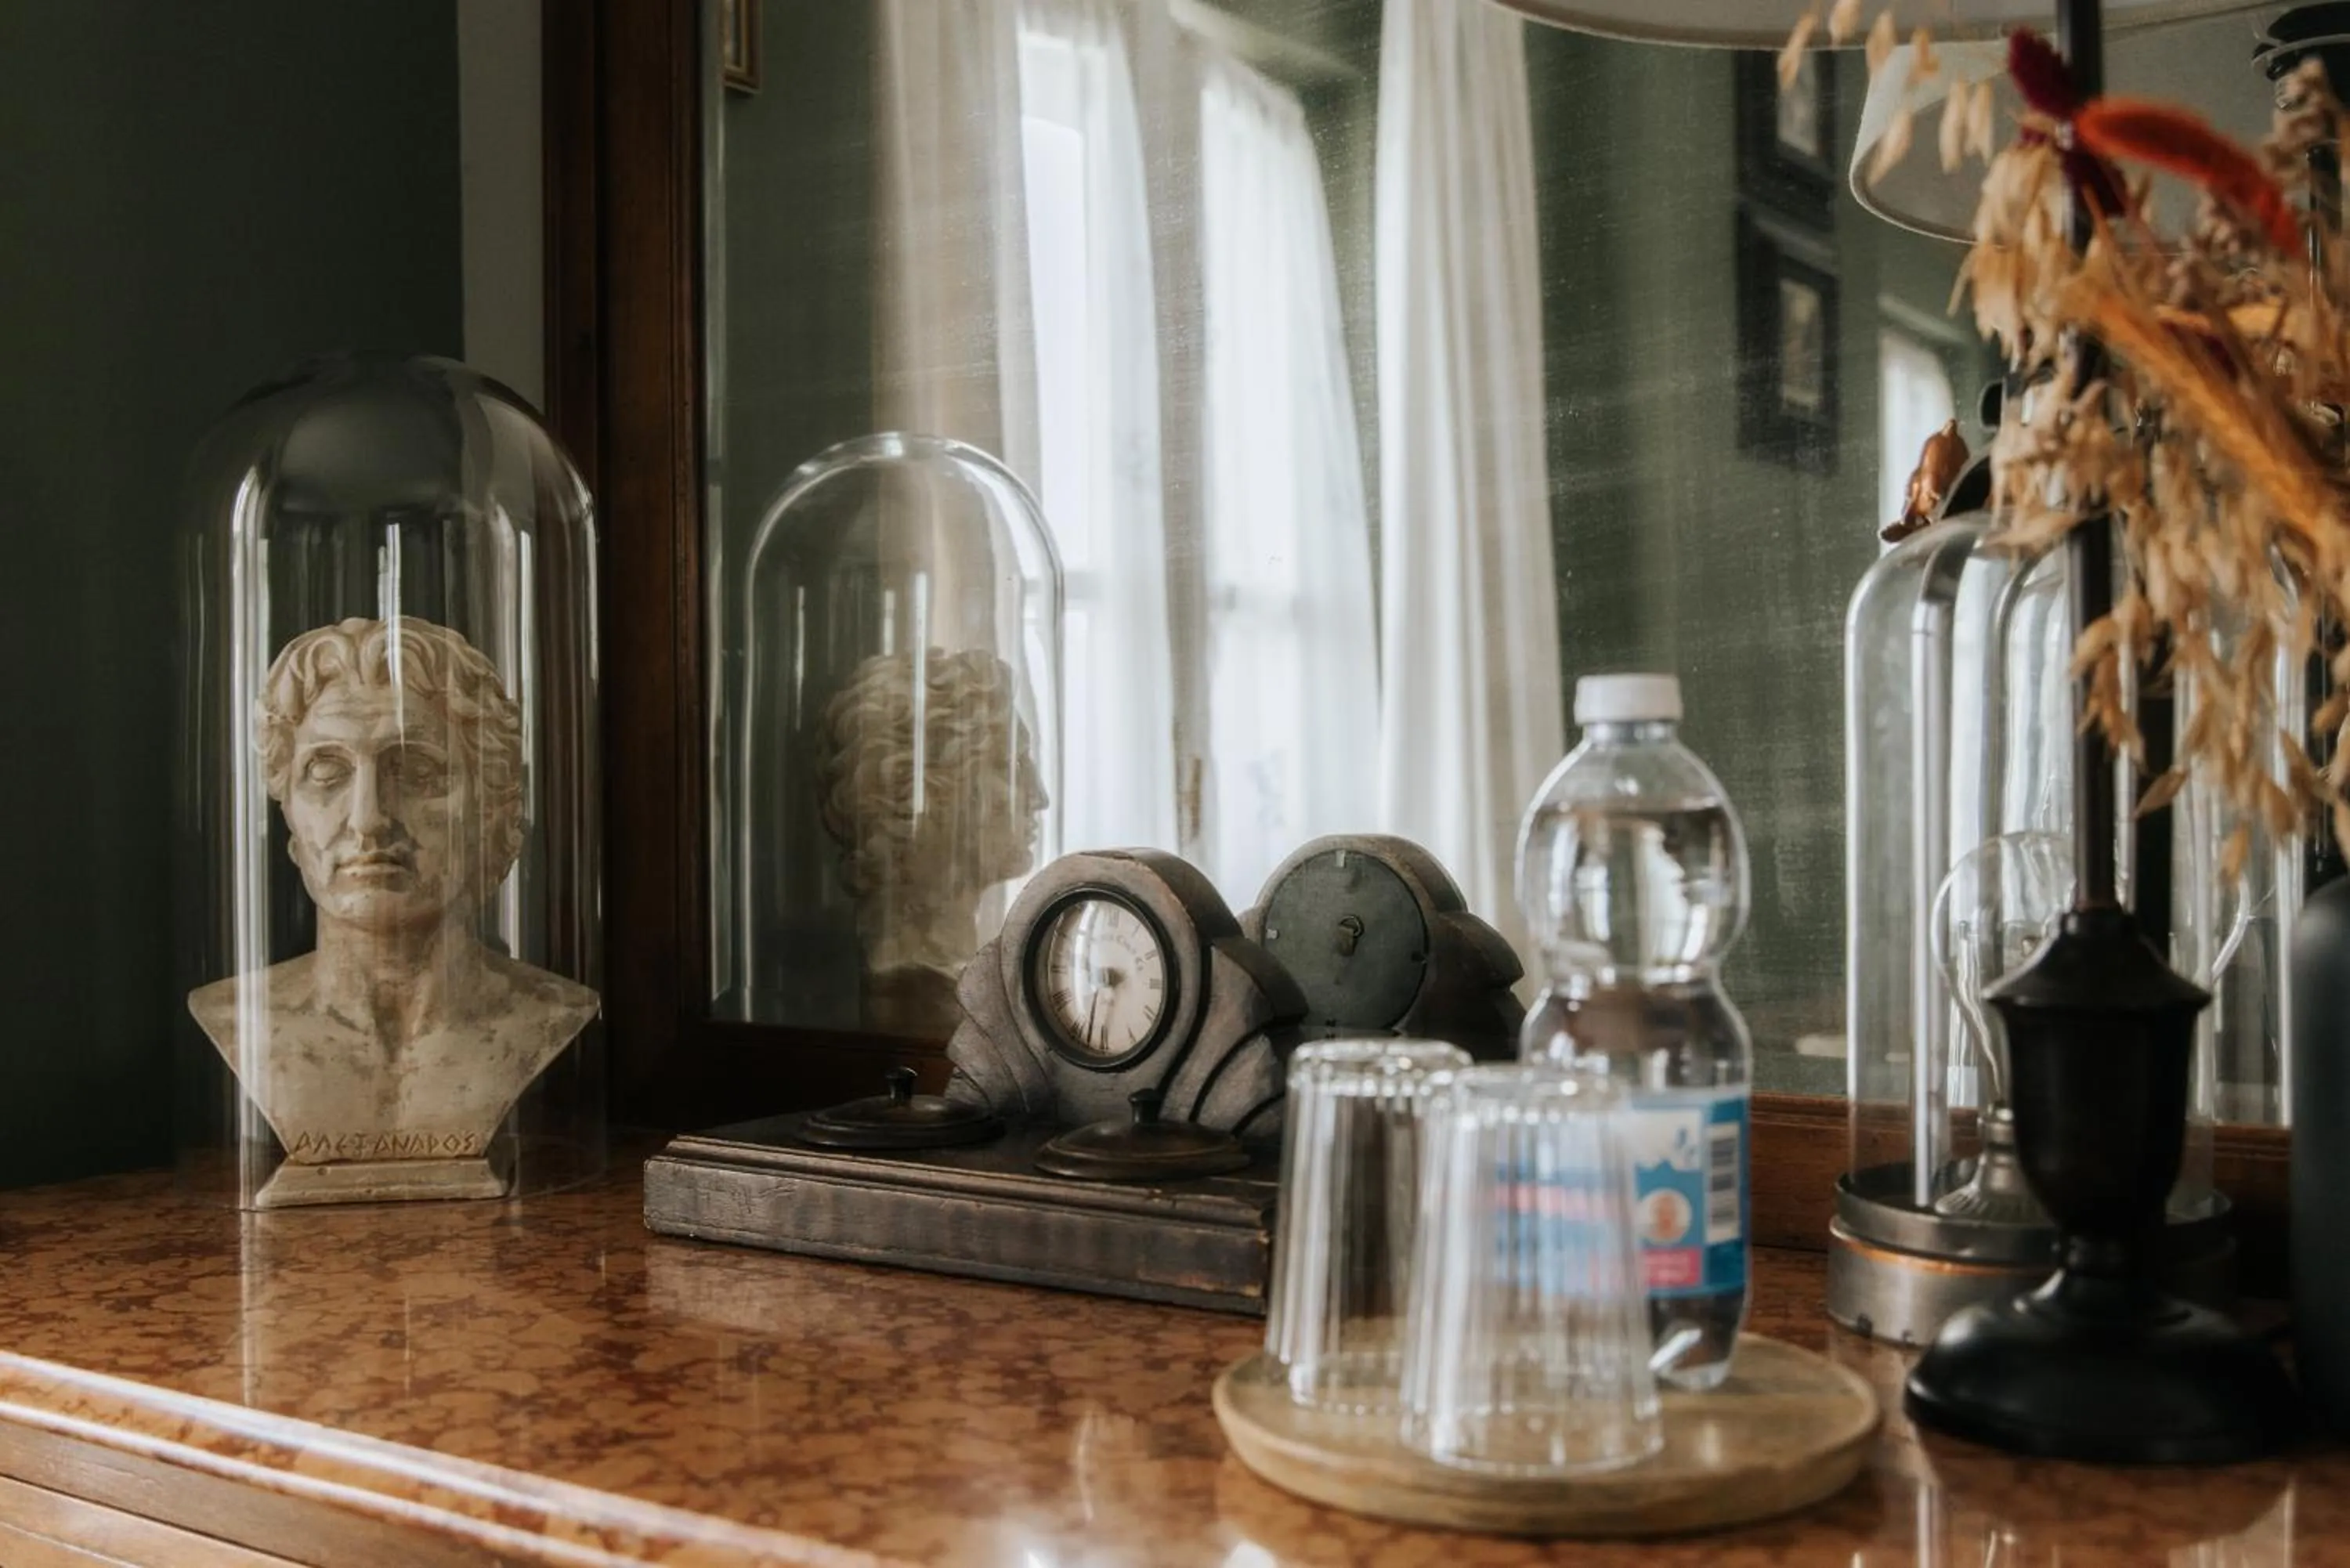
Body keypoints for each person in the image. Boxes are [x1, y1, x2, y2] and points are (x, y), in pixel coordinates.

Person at [188, 616, 597, 1206]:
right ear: (291, 820)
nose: (369, 818)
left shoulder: (553, 1015)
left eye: (416, 771)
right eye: (325, 773)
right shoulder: (236, 1019)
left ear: (493, 811)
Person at [815, 648, 1047, 1036]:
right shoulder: (916, 986)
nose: (1039, 797)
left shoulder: (963, 973)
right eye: (1013, 766)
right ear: (929, 790)